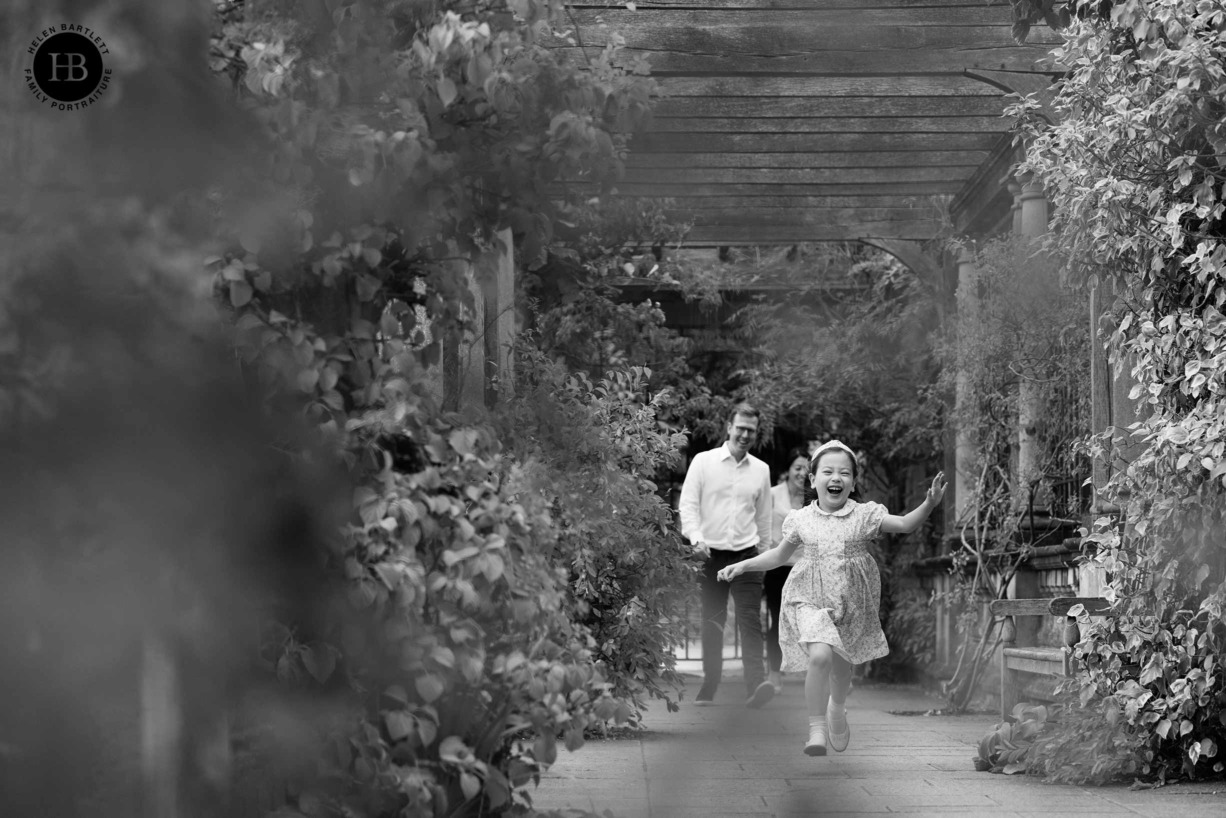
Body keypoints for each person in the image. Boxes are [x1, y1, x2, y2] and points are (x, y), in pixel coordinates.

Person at [718, 440, 946, 755]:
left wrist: (930, 503)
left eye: (844, 473)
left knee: (841, 670)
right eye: (827, 471)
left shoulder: (865, 515)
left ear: (852, 482)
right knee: (820, 656)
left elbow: (906, 524)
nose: (835, 477)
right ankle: (815, 731)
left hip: (851, 603)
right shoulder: (801, 519)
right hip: (808, 598)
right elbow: (776, 556)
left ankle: (836, 708)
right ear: (813, 480)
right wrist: (742, 565)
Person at [679, 402, 775, 709]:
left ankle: (756, 685)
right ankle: (710, 684)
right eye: (741, 428)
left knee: (750, 620)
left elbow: (764, 518)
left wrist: (762, 555)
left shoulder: (761, 470)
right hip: (710, 554)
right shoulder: (703, 462)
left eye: (752, 430)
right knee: (713, 621)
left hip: (746, 555)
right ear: (729, 427)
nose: (745, 435)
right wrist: (696, 539)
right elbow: (688, 505)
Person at [765, 447, 809, 692]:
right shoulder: (773, 494)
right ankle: (774, 673)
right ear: (788, 471)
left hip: (802, 567)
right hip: (777, 567)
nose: (802, 473)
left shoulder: (811, 497)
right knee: (777, 619)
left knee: (804, 621)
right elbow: (760, 522)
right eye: (798, 468)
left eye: (806, 469)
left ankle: (807, 670)